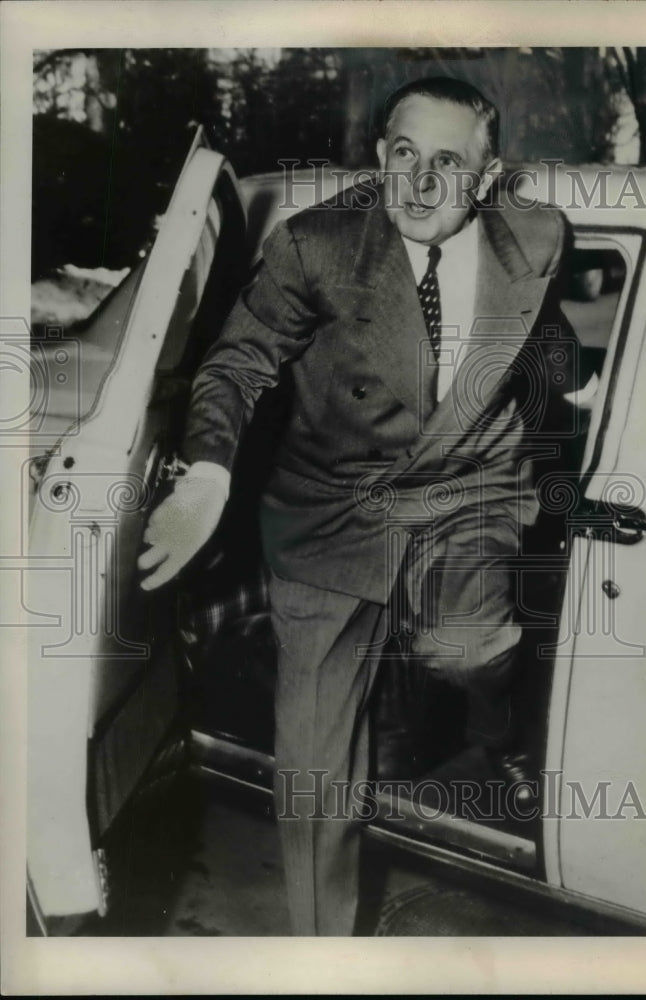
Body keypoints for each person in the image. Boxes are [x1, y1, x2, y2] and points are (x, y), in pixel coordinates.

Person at [138, 76, 596, 935]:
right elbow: (236, 364)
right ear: (380, 155)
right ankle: (325, 947)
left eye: (447, 163)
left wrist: (574, 386)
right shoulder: (317, 246)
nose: (418, 185)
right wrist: (205, 475)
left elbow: (537, 325)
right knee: (314, 763)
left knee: (466, 648)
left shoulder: (536, 235)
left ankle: (494, 727)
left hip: (467, 483)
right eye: (403, 155)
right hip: (330, 505)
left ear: (488, 175)